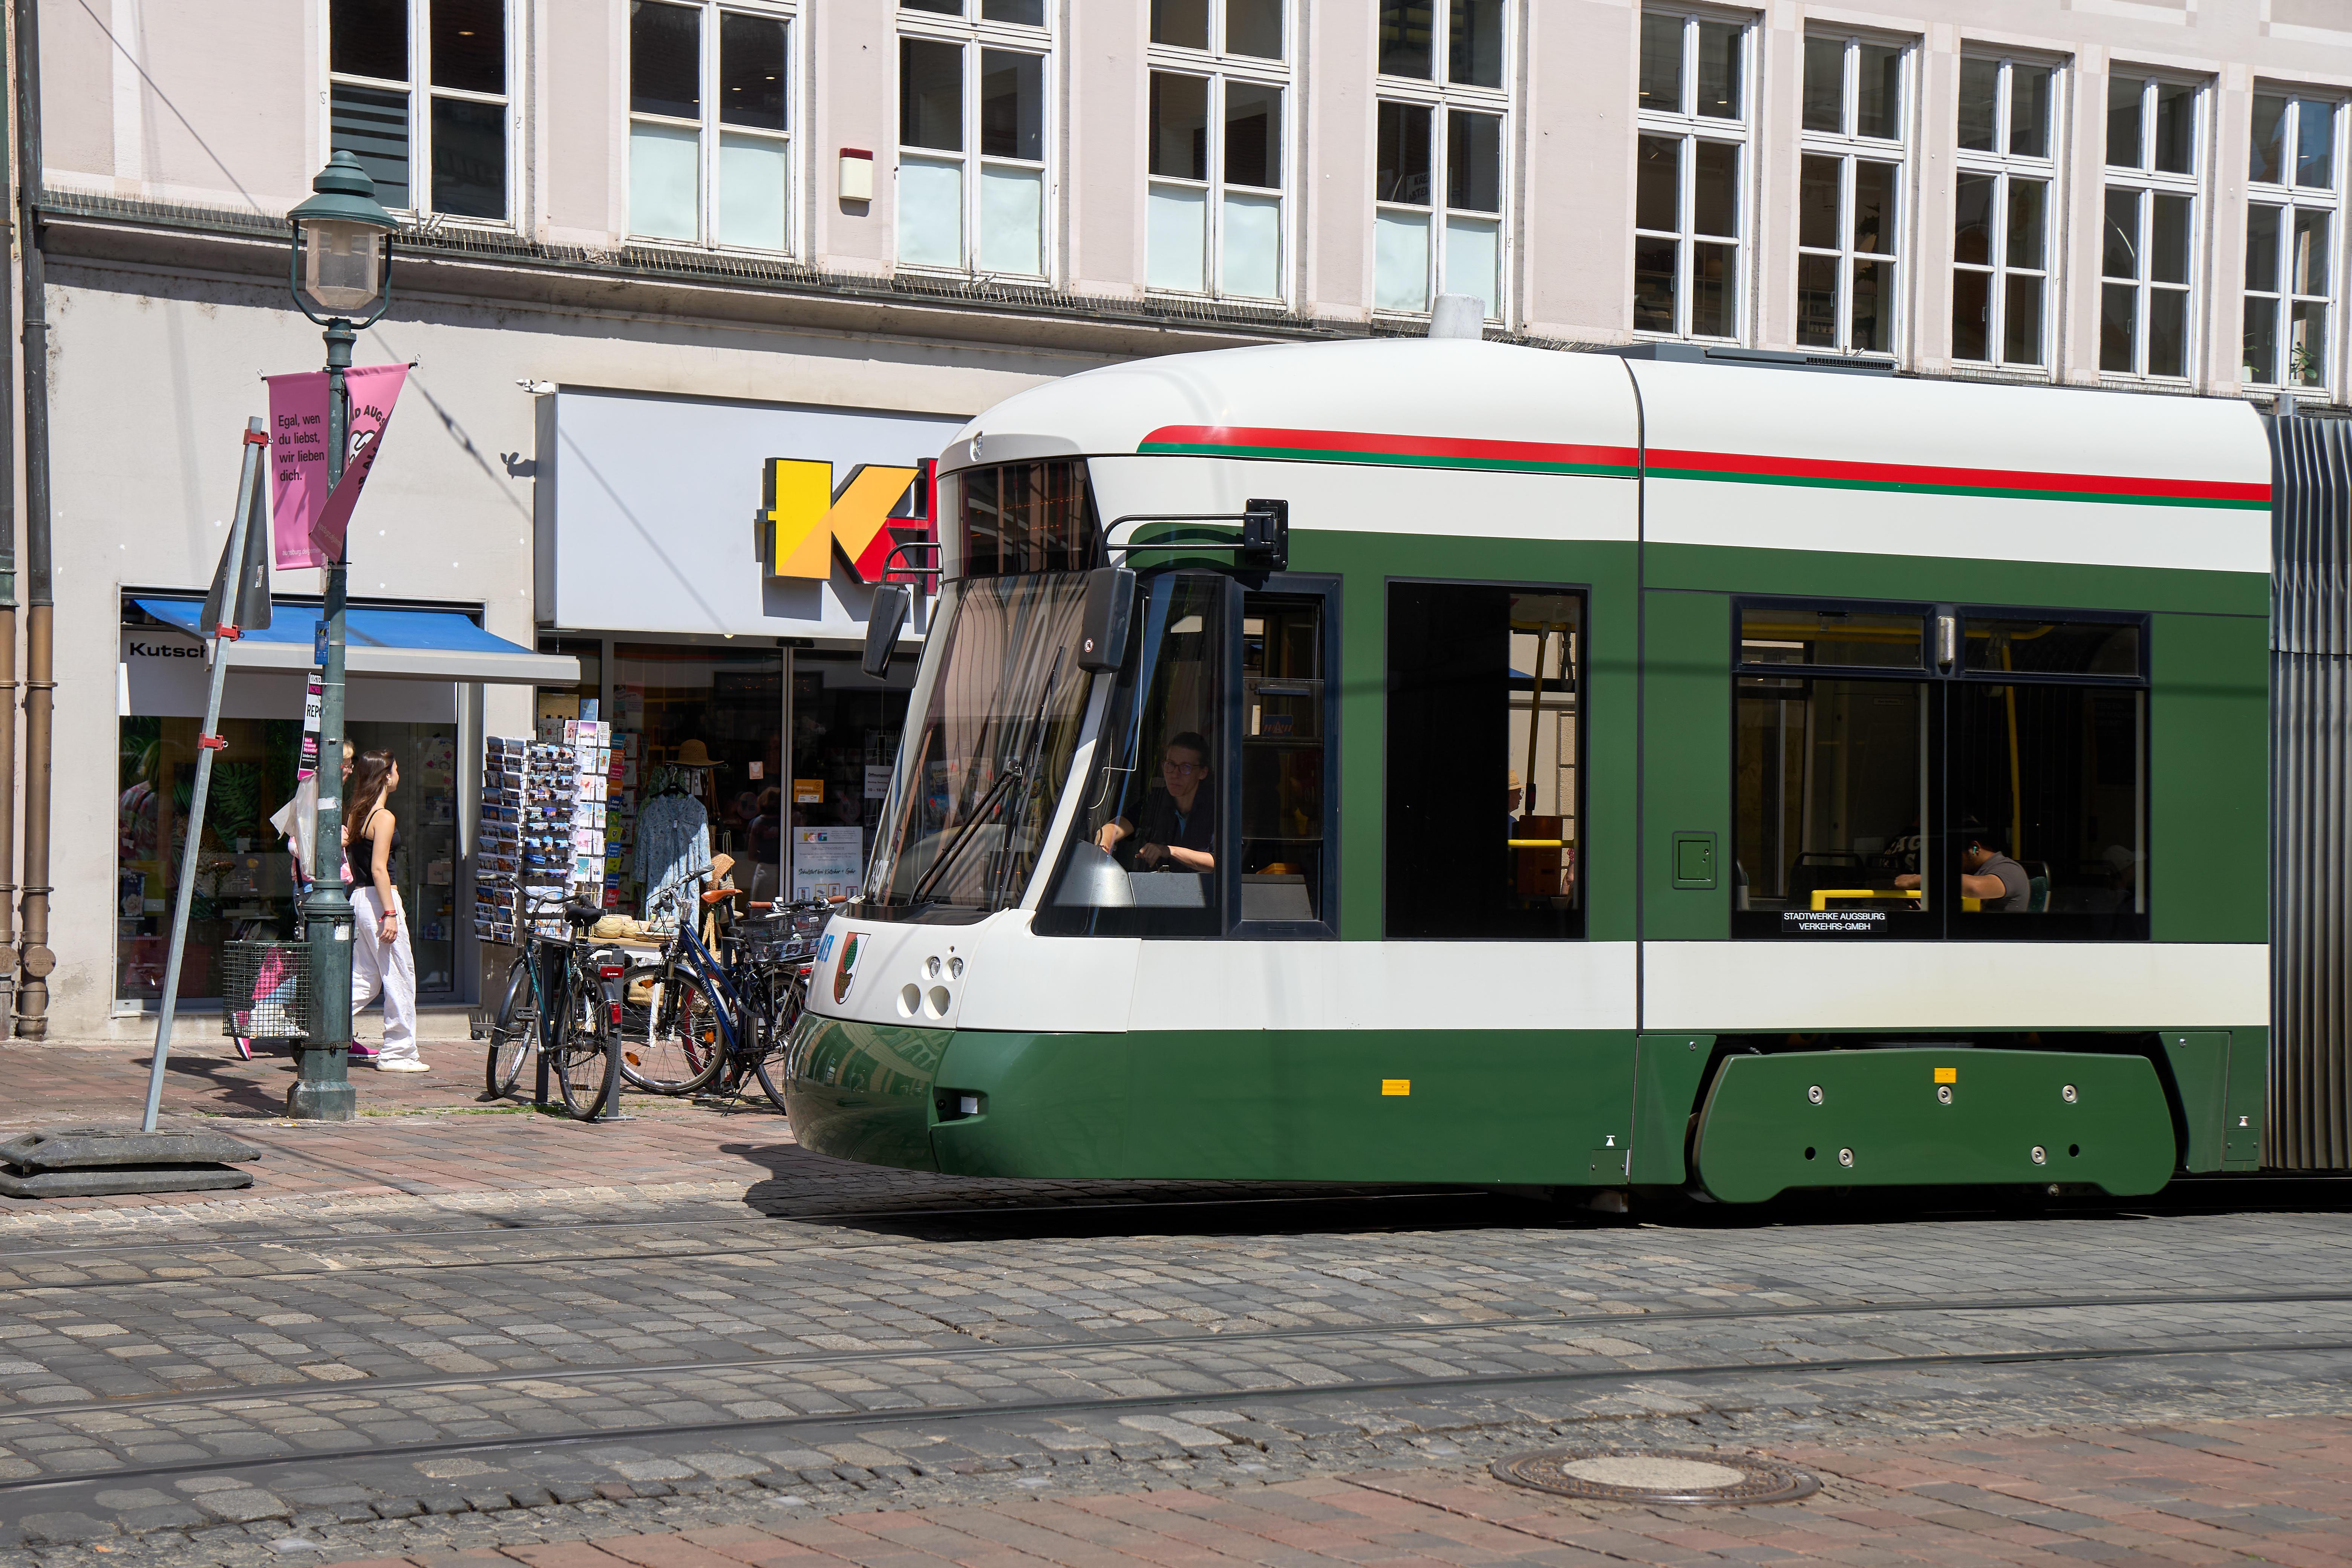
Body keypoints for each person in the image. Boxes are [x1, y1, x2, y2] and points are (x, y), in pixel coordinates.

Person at [343, 749, 425, 1070]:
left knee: (365, 978)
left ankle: (319, 1020)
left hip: (360, 899)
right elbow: (380, 869)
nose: (398, 774)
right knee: (400, 976)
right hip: (380, 900)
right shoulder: (384, 817)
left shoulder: (356, 814)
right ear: (386, 776)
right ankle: (398, 1052)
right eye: (396, 769)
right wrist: (390, 913)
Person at [1095, 732, 1215, 872]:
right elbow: (1113, 828)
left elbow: (1220, 862)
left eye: (1186, 767)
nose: (1175, 775)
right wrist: (1102, 850)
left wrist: (1168, 851)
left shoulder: (1218, 807)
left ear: (1203, 773)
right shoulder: (1156, 801)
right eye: (1170, 764)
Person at [1894, 826, 2031, 912]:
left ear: (1974, 848)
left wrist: (1917, 879)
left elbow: (1975, 889)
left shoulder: (2009, 870)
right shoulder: (1974, 872)